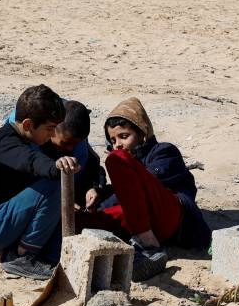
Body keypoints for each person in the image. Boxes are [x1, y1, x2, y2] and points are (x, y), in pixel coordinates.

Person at [83, 97, 211, 280]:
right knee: (94, 219)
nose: (117, 144)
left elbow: (144, 184)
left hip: (174, 218)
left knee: (116, 160)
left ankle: (148, 245)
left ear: (142, 133)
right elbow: (127, 194)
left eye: (124, 136)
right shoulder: (130, 163)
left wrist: (106, 202)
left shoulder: (164, 151)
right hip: (146, 221)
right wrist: (97, 198)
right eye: (113, 140)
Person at [0, 84, 78, 280]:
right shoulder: (5, 143)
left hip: (7, 220)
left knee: (57, 250)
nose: (52, 135)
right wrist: (55, 167)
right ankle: (22, 258)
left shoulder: (31, 140)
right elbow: (31, 161)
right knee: (52, 187)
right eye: (49, 128)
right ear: (28, 125)